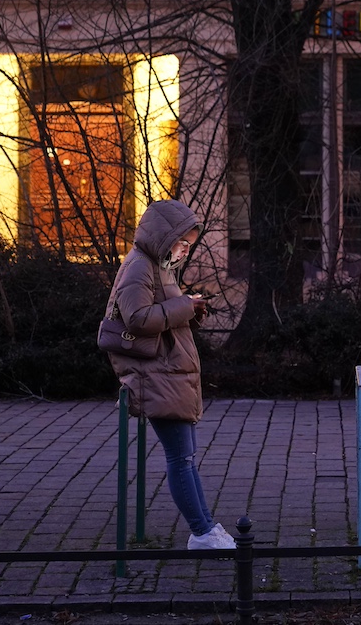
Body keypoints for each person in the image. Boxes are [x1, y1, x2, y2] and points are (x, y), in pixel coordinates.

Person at [103, 199, 235, 550]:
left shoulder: (156, 266)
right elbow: (138, 319)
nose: (185, 250)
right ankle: (202, 532)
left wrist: (189, 309)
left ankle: (205, 527)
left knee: (186, 457)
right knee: (181, 459)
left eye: (189, 245)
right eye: (183, 242)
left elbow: (160, 313)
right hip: (156, 377)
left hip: (168, 374)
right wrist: (183, 306)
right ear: (166, 235)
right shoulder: (139, 268)